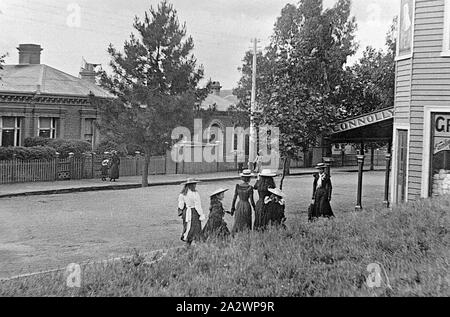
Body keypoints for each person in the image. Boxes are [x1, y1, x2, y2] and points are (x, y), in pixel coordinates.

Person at [178, 178, 206, 245]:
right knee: (196, 227)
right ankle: (197, 241)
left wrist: (182, 210)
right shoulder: (195, 193)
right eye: (195, 184)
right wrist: (201, 214)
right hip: (193, 212)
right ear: (192, 185)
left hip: (186, 211)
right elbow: (197, 205)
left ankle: (188, 241)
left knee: (187, 226)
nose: (195, 185)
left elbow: (181, 205)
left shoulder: (183, 194)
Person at [231, 170, 256, 234]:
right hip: (246, 205)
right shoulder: (250, 188)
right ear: (249, 178)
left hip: (239, 204)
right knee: (246, 221)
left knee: (238, 220)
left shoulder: (238, 186)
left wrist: (232, 208)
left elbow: (234, 198)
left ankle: (237, 233)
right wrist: (255, 208)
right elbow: (252, 201)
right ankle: (246, 233)